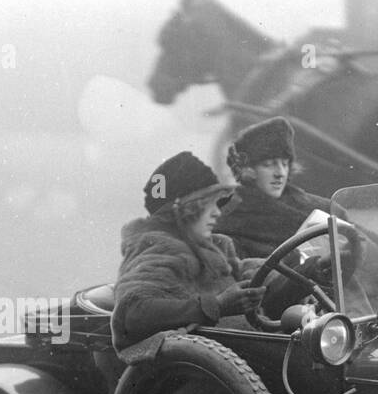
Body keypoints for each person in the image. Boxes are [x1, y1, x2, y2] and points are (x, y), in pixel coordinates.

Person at [112, 151, 267, 356]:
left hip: (241, 357)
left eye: (219, 203)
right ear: (185, 209)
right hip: (207, 372)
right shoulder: (160, 247)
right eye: (209, 203)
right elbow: (132, 313)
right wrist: (217, 305)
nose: (217, 212)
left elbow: (251, 277)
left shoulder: (215, 247)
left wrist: (310, 267)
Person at [214, 116, 332, 260]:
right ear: (249, 170)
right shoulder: (228, 217)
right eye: (269, 165)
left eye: (284, 164)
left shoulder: (319, 207)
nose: (280, 173)